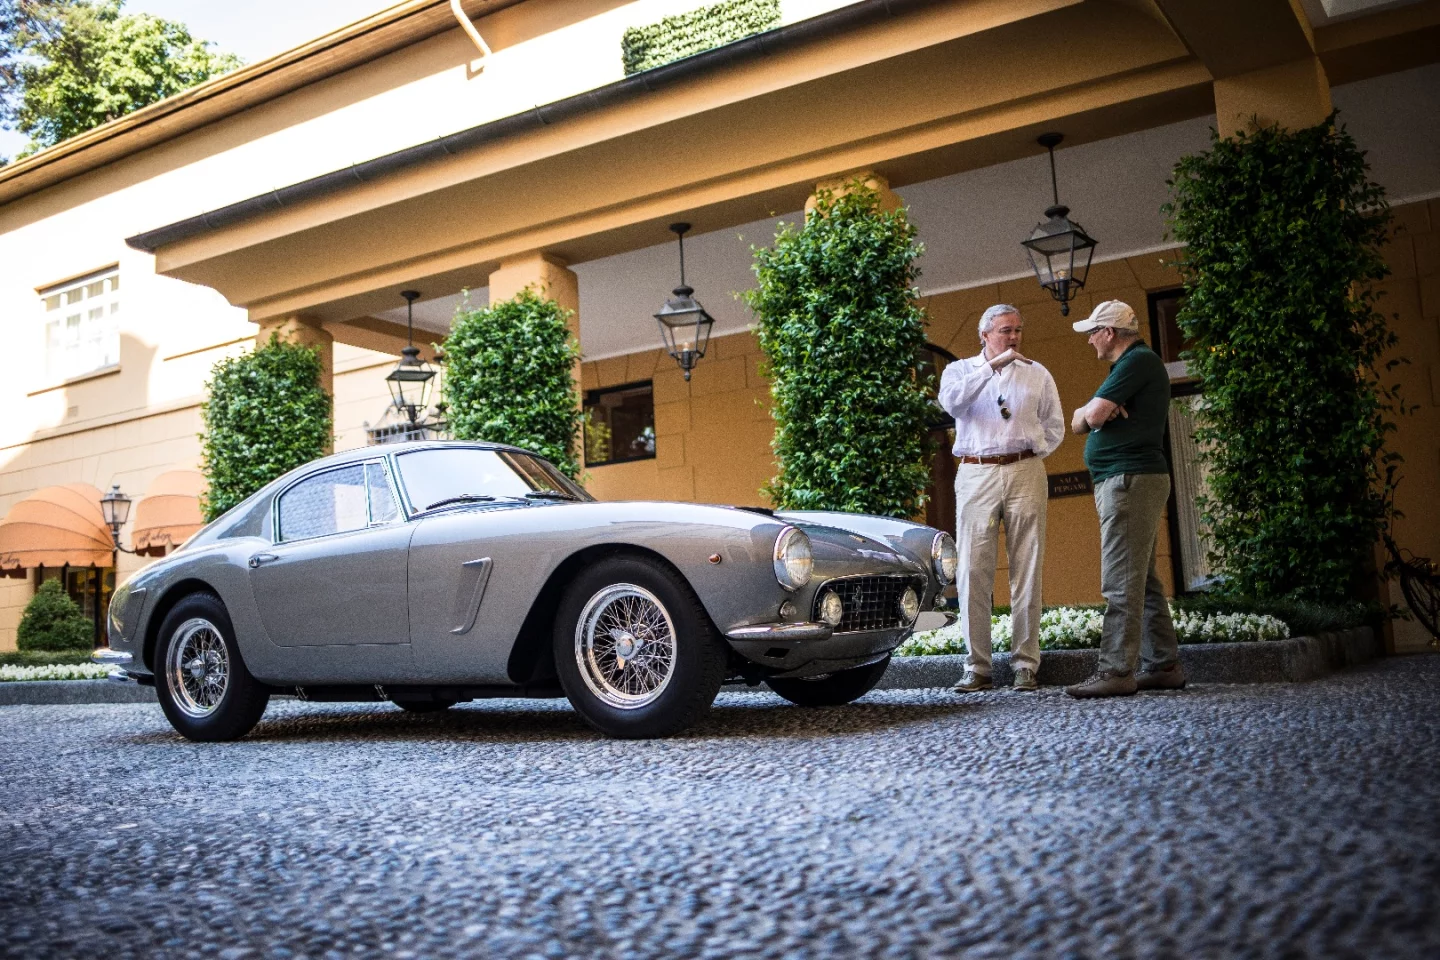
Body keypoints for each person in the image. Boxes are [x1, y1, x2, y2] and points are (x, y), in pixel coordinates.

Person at [938, 304, 1064, 693]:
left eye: (1018, 331)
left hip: (1025, 469)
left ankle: (1026, 665)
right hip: (976, 471)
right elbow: (953, 404)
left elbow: (1054, 425)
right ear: (984, 335)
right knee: (973, 568)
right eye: (1006, 330)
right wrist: (991, 368)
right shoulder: (960, 370)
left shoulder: (1037, 372)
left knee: (1028, 565)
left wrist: (1031, 449)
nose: (1014, 337)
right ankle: (978, 667)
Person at [1064, 300, 1185, 698]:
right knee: (1142, 580)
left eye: (1092, 333)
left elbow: (1090, 420)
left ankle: (1115, 671)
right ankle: (1164, 665)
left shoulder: (1137, 362)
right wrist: (1090, 412)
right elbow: (1080, 419)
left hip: (1129, 480)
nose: (1089, 342)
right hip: (1130, 479)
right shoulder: (1130, 367)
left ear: (1109, 333)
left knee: (1120, 581)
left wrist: (1093, 411)